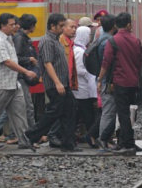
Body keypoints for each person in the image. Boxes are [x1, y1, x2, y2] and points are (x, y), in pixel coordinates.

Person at [25, 13, 80, 152]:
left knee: (69, 112)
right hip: (56, 84)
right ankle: (30, 135)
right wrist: (57, 82)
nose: (63, 28)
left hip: (63, 83)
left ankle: (68, 143)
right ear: (52, 26)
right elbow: (47, 63)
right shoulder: (47, 41)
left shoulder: (56, 40)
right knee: (53, 112)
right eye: (61, 26)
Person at [0, 13, 37, 151]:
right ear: (2, 26)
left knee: (19, 112)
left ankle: (24, 140)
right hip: (2, 83)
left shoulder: (9, 39)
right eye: (11, 24)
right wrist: (25, 71)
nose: (14, 26)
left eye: (15, 24)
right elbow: (7, 62)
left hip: (13, 83)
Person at [98, 12, 142, 156]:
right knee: (130, 112)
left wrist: (100, 79)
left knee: (123, 113)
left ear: (116, 25)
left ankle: (127, 143)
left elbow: (106, 62)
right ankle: (123, 142)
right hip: (133, 82)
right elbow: (140, 61)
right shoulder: (136, 41)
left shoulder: (113, 41)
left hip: (120, 82)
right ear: (129, 24)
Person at [94, 14, 118, 150]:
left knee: (108, 110)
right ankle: (103, 139)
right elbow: (107, 64)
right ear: (114, 25)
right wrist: (107, 81)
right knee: (108, 111)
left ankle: (106, 139)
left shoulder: (101, 39)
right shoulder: (108, 41)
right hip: (107, 81)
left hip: (104, 80)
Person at [13, 13, 39, 130]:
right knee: (28, 106)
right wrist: (29, 59)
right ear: (32, 25)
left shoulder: (23, 37)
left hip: (22, 76)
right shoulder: (20, 38)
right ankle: (33, 133)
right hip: (21, 76)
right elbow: (15, 58)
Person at [73, 25, 97, 146]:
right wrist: (91, 74)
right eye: (88, 35)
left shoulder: (80, 49)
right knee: (87, 114)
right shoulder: (79, 51)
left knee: (83, 114)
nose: (90, 37)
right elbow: (79, 69)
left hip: (83, 88)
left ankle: (82, 136)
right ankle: (91, 137)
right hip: (82, 89)